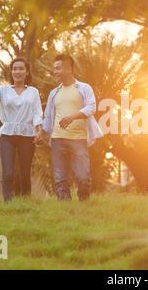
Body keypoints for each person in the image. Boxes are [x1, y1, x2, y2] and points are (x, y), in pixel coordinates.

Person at [0, 57, 43, 202]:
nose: (17, 71)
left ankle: (26, 202)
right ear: (11, 72)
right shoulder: (4, 90)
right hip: (7, 134)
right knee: (8, 173)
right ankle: (7, 203)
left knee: (25, 173)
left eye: (21, 68)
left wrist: (39, 131)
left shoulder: (33, 92)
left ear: (27, 72)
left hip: (27, 135)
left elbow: (37, 113)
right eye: (14, 68)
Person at [41, 54, 103, 201]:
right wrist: (42, 132)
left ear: (69, 69)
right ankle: (65, 208)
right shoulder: (54, 93)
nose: (55, 71)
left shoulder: (84, 88)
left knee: (83, 176)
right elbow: (48, 116)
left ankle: (84, 204)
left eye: (58, 68)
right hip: (57, 139)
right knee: (60, 177)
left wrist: (72, 117)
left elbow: (91, 107)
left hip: (78, 139)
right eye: (54, 68)